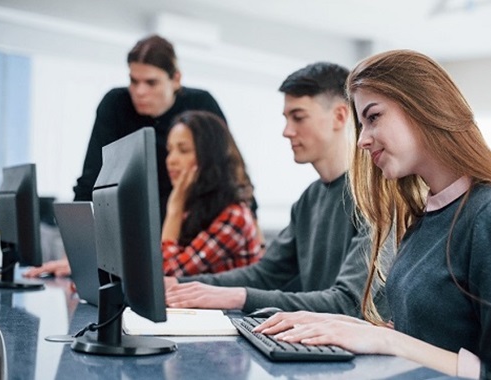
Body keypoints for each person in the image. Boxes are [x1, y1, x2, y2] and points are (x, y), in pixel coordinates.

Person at [252, 50, 491, 379]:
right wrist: (336, 324)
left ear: (423, 107)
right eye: (361, 124)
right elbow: (421, 337)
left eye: (373, 117)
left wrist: (386, 340)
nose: (362, 140)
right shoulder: (425, 216)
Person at [24, 34, 257, 278]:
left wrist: (251, 221)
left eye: (151, 82)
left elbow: (230, 164)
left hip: (189, 220)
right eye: (133, 81)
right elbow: (92, 178)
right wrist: (79, 254)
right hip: (139, 228)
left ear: (175, 79)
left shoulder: (200, 105)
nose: (140, 91)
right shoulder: (116, 104)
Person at [164, 62, 386, 317]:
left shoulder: (375, 196)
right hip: (318, 341)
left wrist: (238, 297)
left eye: (299, 117)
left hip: (360, 353)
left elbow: (348, 303)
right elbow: (266, 274)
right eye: (286, 119)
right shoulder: (309, 200)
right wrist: (180, 286)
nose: (287, 131)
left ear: (339, 116)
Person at [162, 110, 263, 276]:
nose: (171, 160)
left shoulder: (234, 216)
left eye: (183, 150)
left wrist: (174, 209)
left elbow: (169, 274)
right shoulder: (195, 208)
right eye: (170, 150)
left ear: (208, 156)